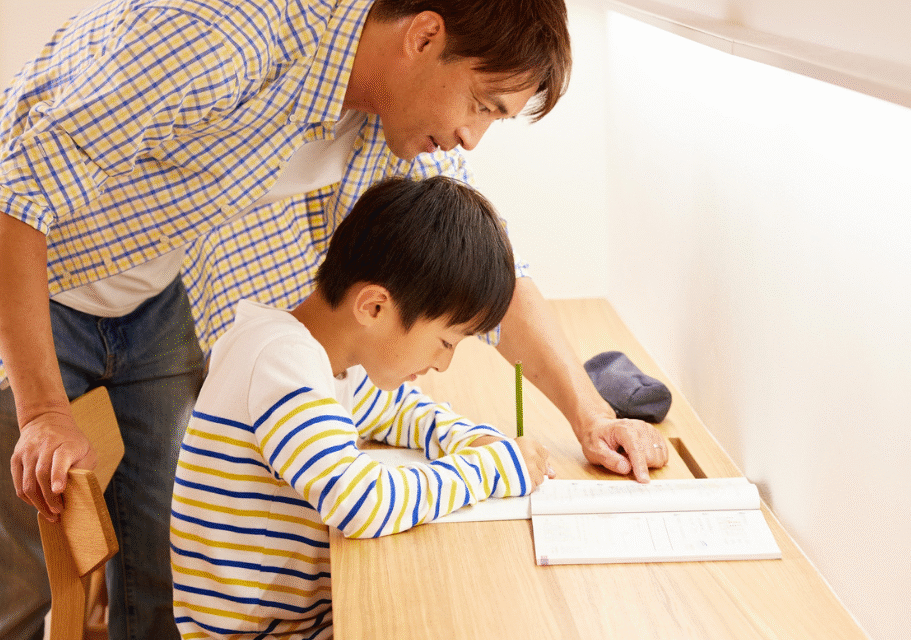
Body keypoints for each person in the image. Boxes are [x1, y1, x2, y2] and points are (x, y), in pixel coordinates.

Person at [0, 0, 667, 637]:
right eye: (480, 105)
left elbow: (481, 279)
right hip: (21, 282)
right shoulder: (225, 32)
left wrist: (591, 416)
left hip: (155, 301)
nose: (472, 134)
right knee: (17, 586)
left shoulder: (397, 120)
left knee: (158, 582)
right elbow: (12, 192)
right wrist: (42, 413)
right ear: (424, 36)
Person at [171, 175, 549, 637]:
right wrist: (493, 469)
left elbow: (400, 411)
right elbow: (361, 502)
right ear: (374, 308)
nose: (444, 364)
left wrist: (473, 440)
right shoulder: (282, 362)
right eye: (445, 342)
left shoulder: (329, 360)